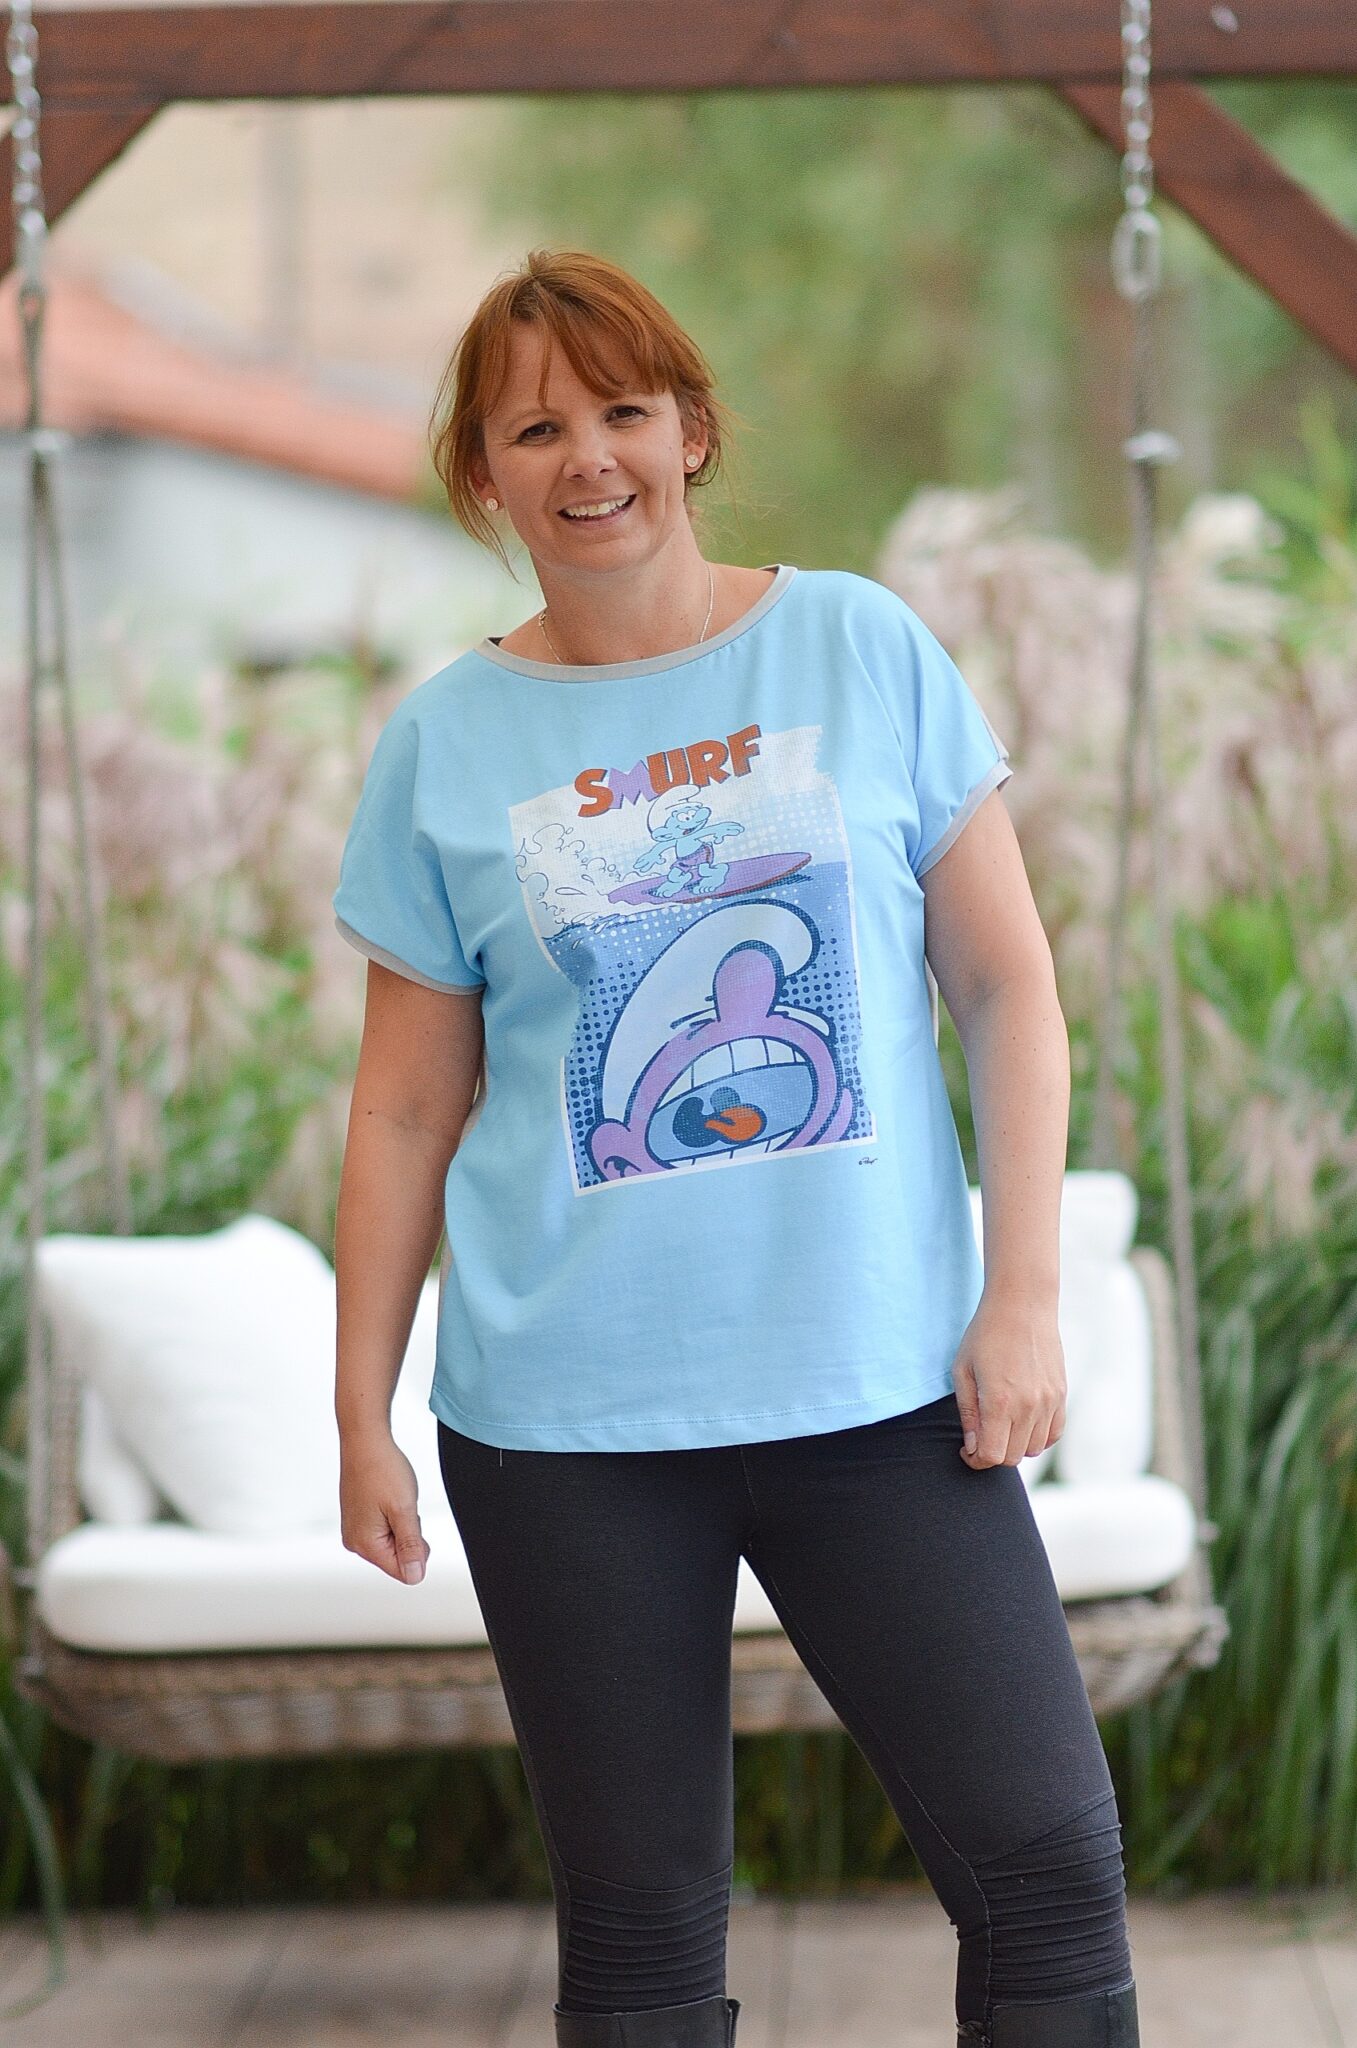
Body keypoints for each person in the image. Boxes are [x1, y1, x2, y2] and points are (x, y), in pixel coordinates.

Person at [331, 248, 1140, 2048]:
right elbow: (402, 1109)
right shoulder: (444, 742)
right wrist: (356, 1410)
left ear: (689, 430)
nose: (587, 458)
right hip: (564, 1430)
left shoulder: (855, 645)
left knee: (1044, 1869)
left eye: (622, 411)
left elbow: (1005, 988)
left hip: (883, 1392)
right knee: (636, 1933)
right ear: (482, 475)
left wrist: (1020, 1298)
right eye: (534, 429)